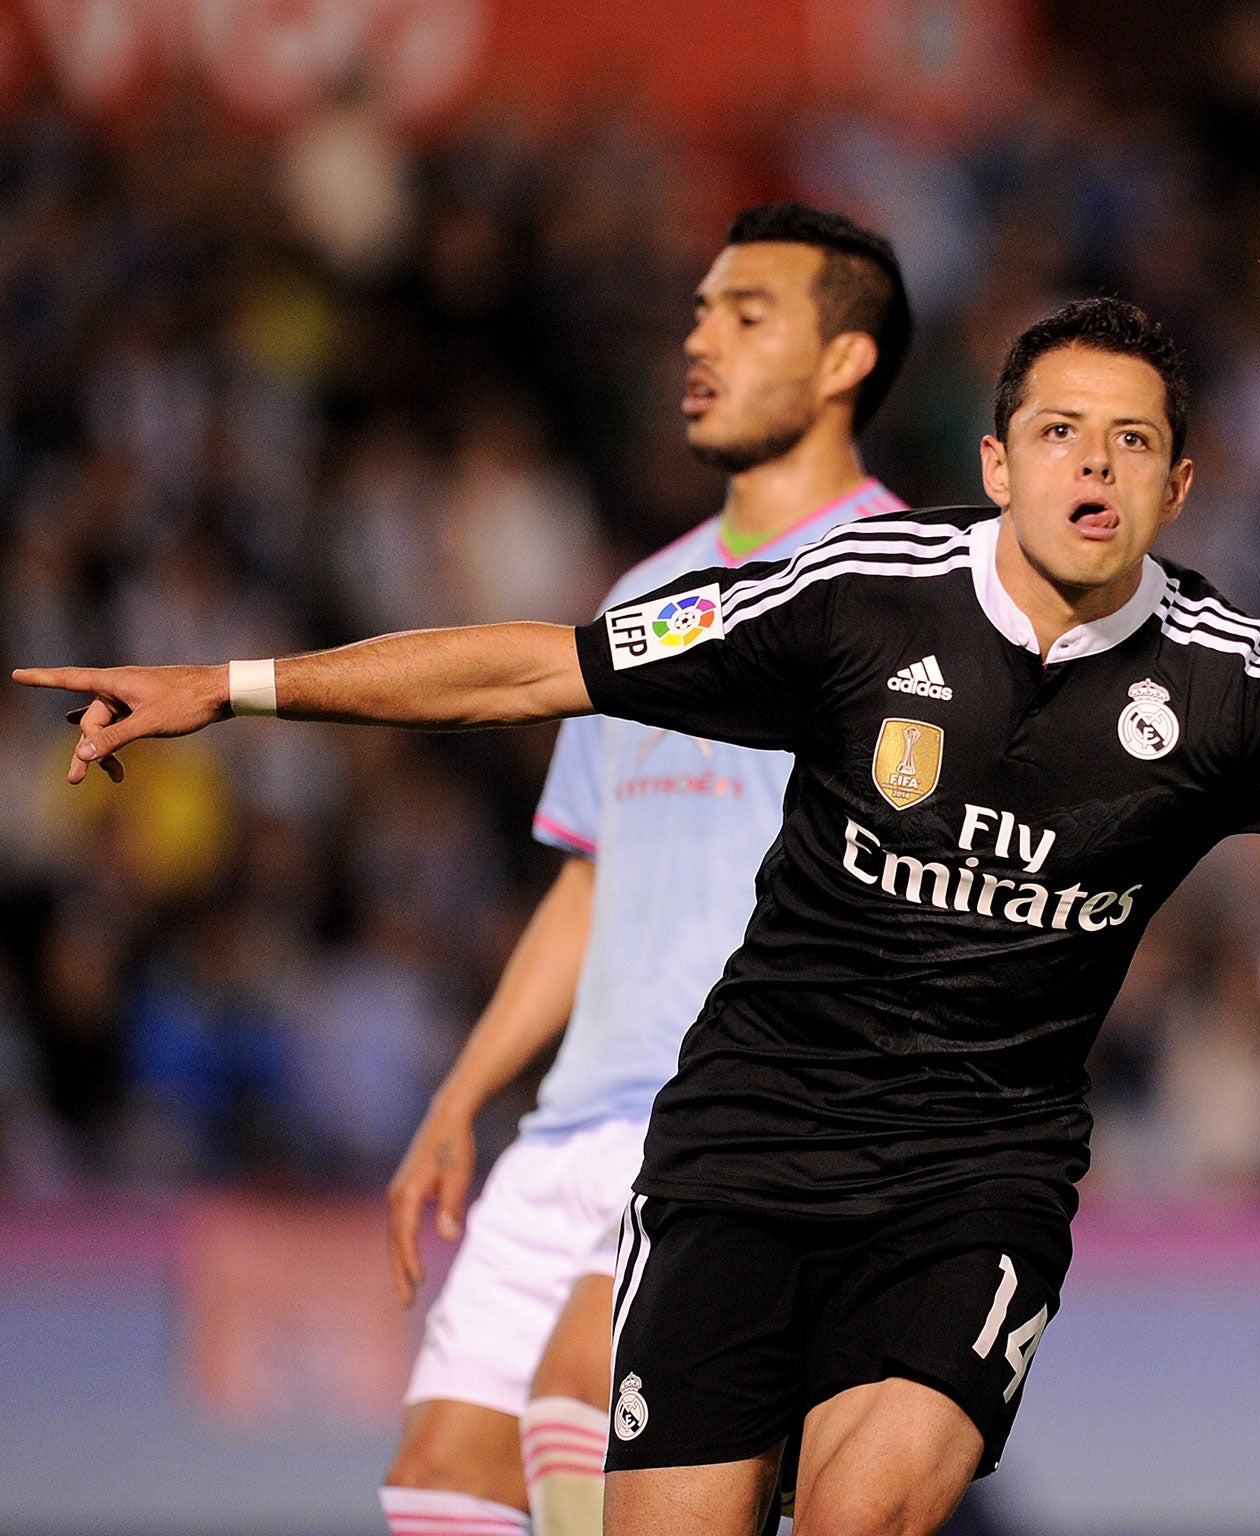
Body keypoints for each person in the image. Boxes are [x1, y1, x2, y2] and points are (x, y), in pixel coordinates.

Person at [17, 298, 1260, 1536]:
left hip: (971, 1178)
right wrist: (240, 684)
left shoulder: (1231, 693)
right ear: (993, 462)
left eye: (1132, 439)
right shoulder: (841, 602)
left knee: (872, 1507)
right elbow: (535, 666)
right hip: (741, 1150)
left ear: (1172, 486)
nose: (1092, 463)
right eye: (1057, 429)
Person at [382, 203, 912, 1536]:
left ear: (846, 360)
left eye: (747, 315)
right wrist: (465, 1088)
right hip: (571, 1124)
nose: (699, 339)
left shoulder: (914, 584)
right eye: (696, 314)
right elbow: (587, 880)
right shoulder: (645, 603)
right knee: (441, 1483)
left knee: (581, 1392)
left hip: (733, 1124)